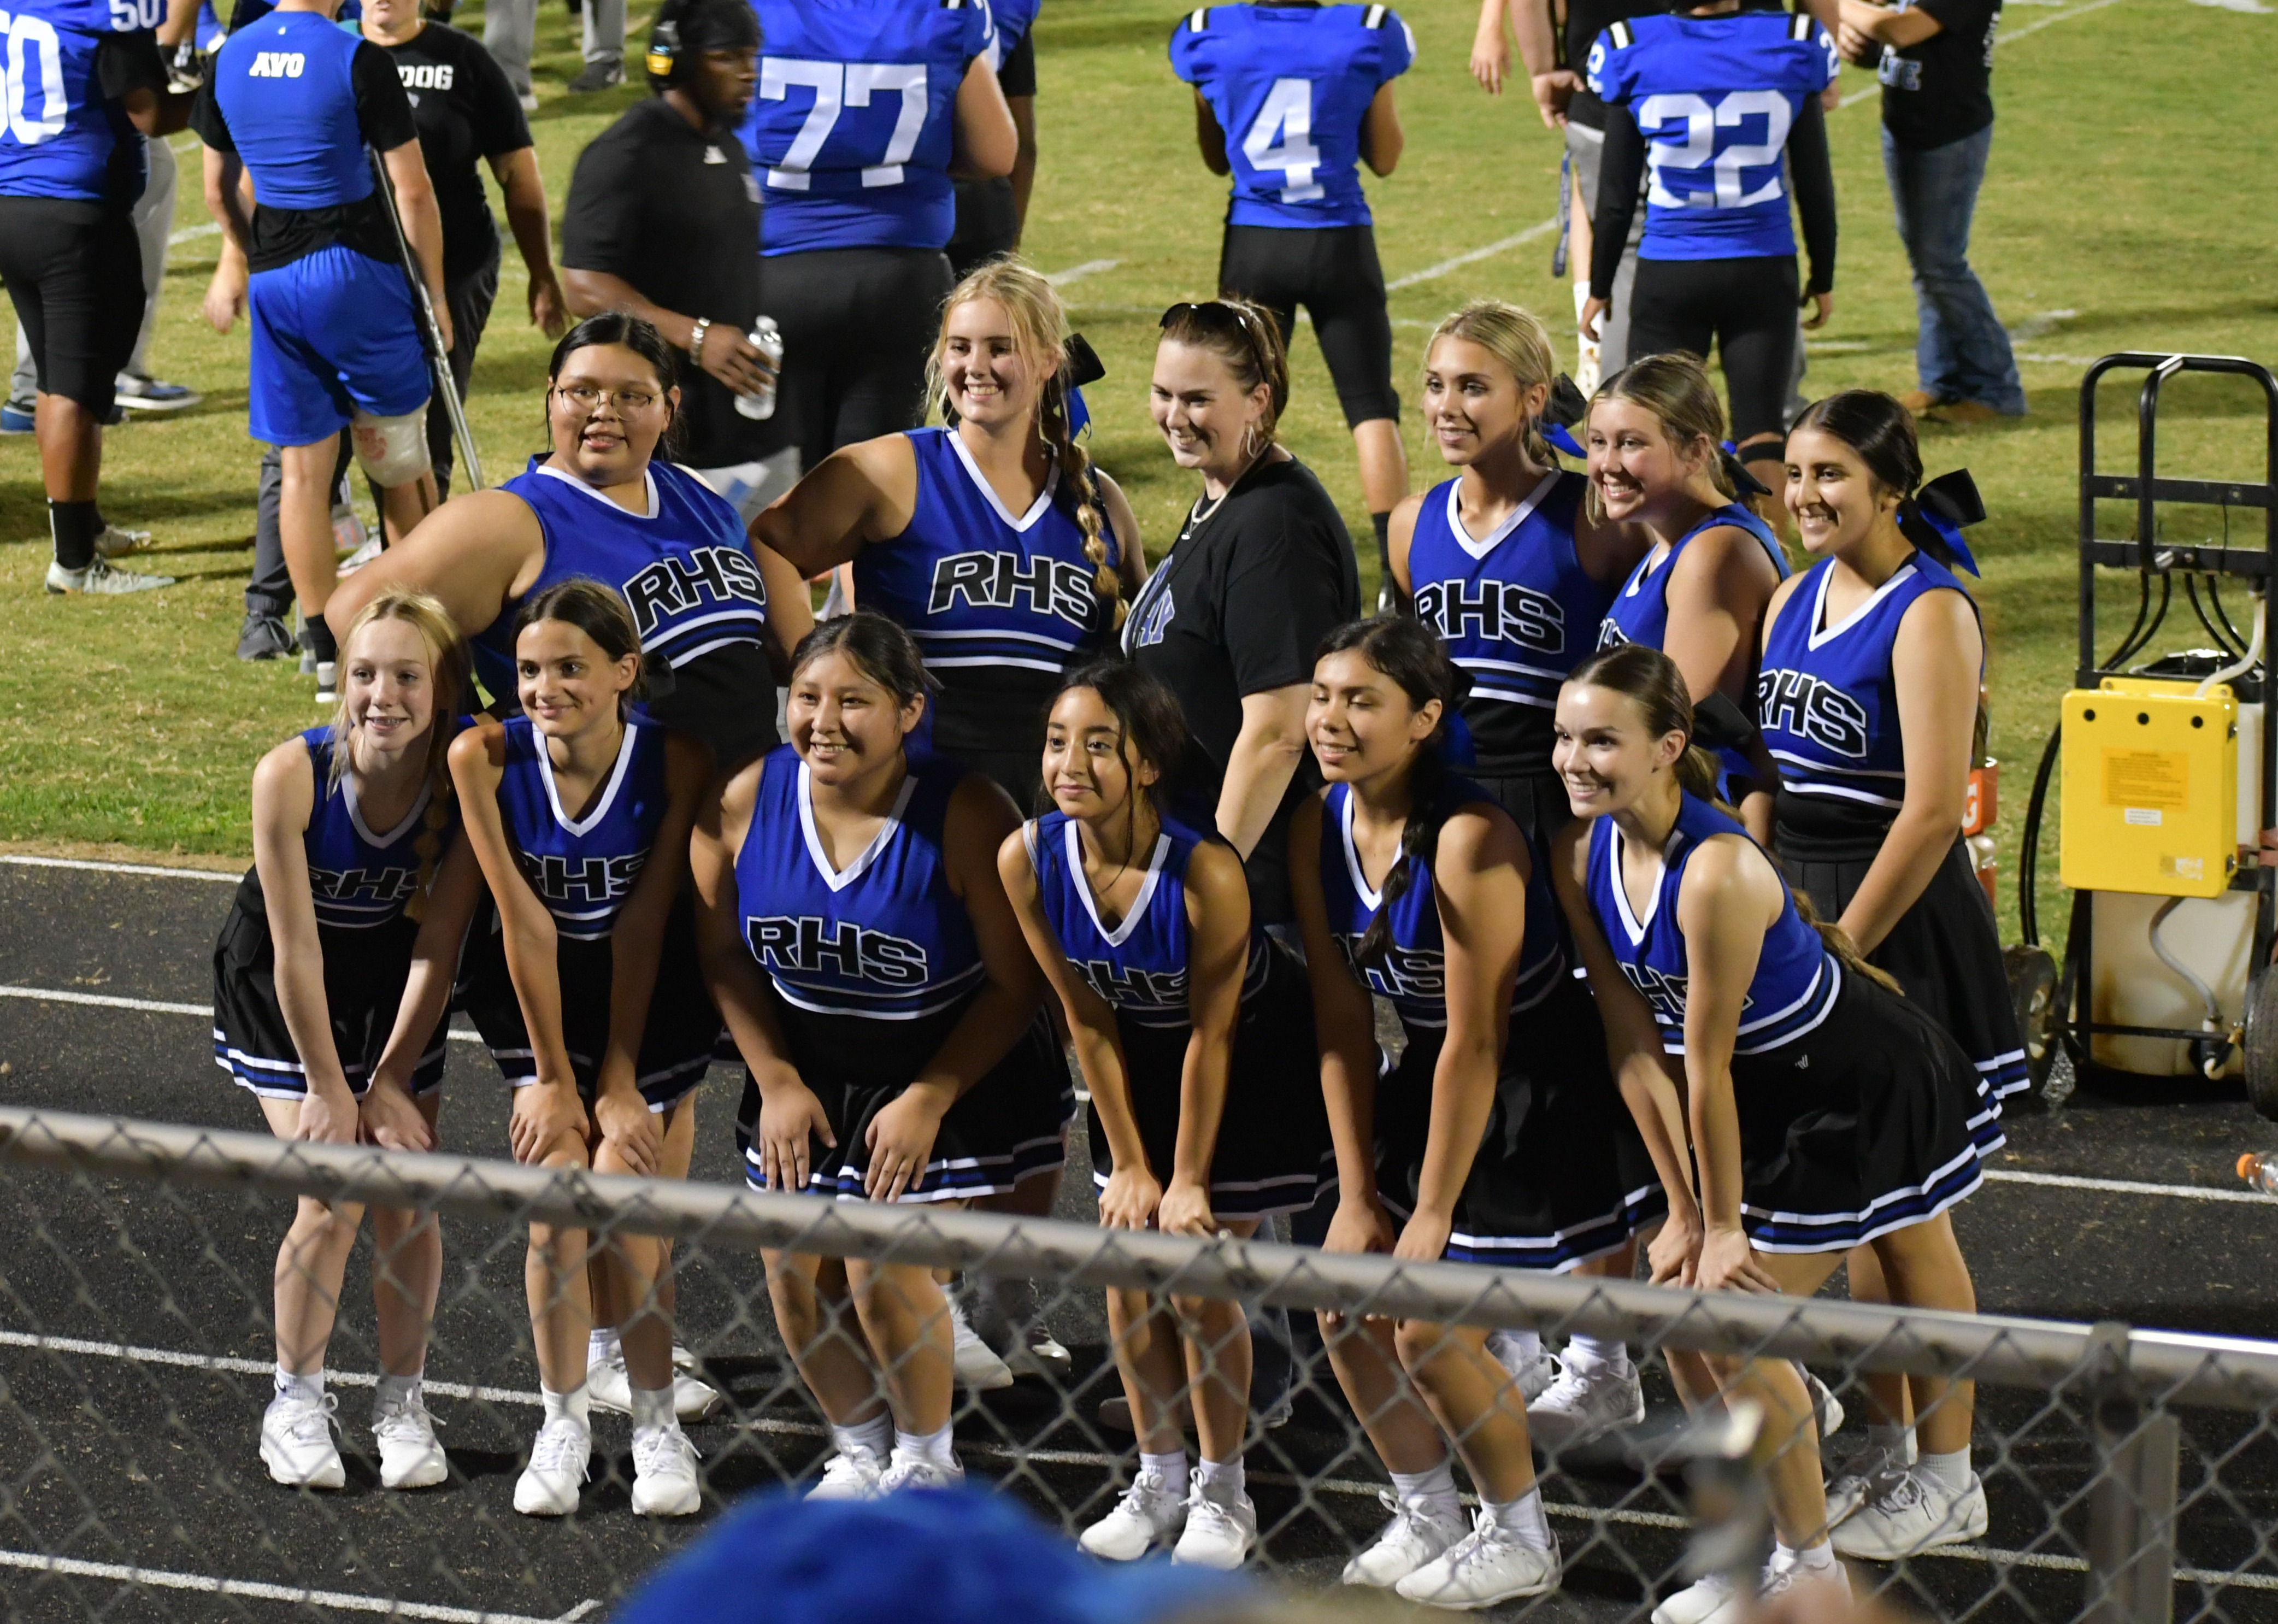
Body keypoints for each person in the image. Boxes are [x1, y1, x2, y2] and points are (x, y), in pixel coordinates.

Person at [1549, 642, 1991, 1619]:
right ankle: (1765, 1536)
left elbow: (1702, 1066)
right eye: (1564, 737)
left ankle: (1840, 1548)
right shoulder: (1592, 852)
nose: (1574, 759)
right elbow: (1637, 1046)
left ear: (1667, 746)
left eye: (1600, 741)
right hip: (1774, 1094)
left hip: (1860, 1084)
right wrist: (1677, 1210)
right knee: (1685, 1315)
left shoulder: (1709, 875)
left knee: (1755, 1310)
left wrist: (1717, 1226)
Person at [1292, 617, 1659, 1609]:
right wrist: (1357, 1189)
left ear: (1423, 719)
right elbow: (1336, 1019)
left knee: (1428, 1327)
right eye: (1321, 694)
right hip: (1430, 1082)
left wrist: (1427, 1213)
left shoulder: (1470, 837)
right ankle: (1426, 1509)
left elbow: (1479, 1038)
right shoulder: (1314, 820)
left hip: (1538, 1093)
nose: (1329, 718)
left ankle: (1519, 1533)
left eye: (1359, 700)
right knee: (1340, 1296)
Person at [690, 613, 1069, 1501]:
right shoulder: (748, 797)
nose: (823, 719)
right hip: (808, 1069)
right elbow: (721, 955)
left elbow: (1017, 988)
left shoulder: (968, 810)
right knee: (792, 1271)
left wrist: (930, 1094)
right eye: (808, 696)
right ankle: (860, 1449)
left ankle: (928, 1461)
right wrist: (775, 1078)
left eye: (852, 700)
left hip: (946, 1068)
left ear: (908, 711)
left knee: (875, 1260)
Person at [998, 662, 1329, 1569]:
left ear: (1147, 763)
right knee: (1126, 1268)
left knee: (1193, 1273)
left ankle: (1224, 1489)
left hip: (1249, 1057)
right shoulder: (1026, 857)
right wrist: (1131, 1166)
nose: (1069, 762)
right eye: (1058, 740)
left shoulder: (1203, 870)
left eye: (1098, 744)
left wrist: (1180, 1175)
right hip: (1133, 1061)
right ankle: (1157, 1476)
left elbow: (1212, 1033)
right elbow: (1086, 1019)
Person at [1764, 391, 2022, 1547]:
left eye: (1831, 477)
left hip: (1894, 926)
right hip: (1804, 906)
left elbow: (1925, 814)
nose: (1805, 496)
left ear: (1885, 489)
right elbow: (1762, 763)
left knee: (1909, 1217)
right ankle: (1890, 1444)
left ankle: (1951, 1474)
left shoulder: (1928, 615)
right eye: (1795, 473)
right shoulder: (1786, 593)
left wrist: (1841, 950)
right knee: (1868, 1215)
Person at [448, 579, 716, 1520]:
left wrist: (617, 1080)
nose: (543, 687)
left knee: (633, 1201)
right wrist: (554, 1077)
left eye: (569, 667)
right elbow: (522, 923)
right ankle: (561, 1421)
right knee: (556, 1205)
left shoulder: (673, 758)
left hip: (650, 1003)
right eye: (527, 669)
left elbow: (644, 921)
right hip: (541, 1001)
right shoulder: (481, 757)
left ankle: (654, 1426)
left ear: (623, 673)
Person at [213, 586, 480, 1493]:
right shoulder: (289, 774)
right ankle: (293, 1398)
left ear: (442, 688)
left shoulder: (466, 776)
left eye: (406, 675)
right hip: (287, 990)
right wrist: (334, 1088)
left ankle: (402, 1399)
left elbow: (439, 945)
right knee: (333, 1189)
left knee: (407, 1189)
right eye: (364, 673)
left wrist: (394, 1077)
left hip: (395, 988)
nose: (381, 694)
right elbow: (293, 954)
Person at [327, 314, 812, 776]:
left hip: (752, 791)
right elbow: (354, 611)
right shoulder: (511, 519)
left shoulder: (693, 493)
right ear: (551, 397)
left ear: (668, 409)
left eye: (632, 396)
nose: (604, 411)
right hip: (622, 815)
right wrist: (476, 730)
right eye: (582, 392)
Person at [233, 0, 570, 663]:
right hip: (359, 277)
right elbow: (260, 175)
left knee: (415, 446)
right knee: (305, 459)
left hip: (444, 269)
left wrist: (539, 273)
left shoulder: (462, 60)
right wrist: (231, 260)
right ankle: (275, 610)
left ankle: (412, 607)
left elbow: (516, 174)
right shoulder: (332, 54)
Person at [755, 260, 1141, 804]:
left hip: (1054, 803)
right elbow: (772, 541)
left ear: (1049, 361)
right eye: (959, 347)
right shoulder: (890, 470)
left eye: (999, 348)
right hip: (912, 794)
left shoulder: (1098, 499)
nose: (975, 366)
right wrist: (815, 679)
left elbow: (1136, 653)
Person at [196, 0, 449, 696]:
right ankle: (413, 630)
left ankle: (322, 641)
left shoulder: (229, 57)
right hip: (356, 275)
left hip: (277, 279)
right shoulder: (356, 57)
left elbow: (218, 192)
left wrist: (257, 256)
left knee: (304, 473)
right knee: (398, 461)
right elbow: (413, 191)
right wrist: (436, 298)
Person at [1126, 298, 1360, 931]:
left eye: (1197, 399)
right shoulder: (1225, 495)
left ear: (1258, 400)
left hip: (1259, 889)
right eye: (1162, 393)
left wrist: (1209, 891)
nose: (1174, 417)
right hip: (1209, 863)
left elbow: (1278, 733)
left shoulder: (1272, 526)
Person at [1170, 2, 1413, 591]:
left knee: (1239, 405)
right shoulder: (1366, 30)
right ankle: (1397, 581)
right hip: (1340, 243)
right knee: (1371, 410)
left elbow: (1215, 156)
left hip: (1255, 243)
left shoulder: (1207, 34)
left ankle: (1232, 557)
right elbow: (1384, 157)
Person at [1388, 300, 1647, 850]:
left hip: (1561, 800)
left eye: (1473, 387)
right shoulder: (1410, 523)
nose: (1446, 407)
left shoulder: (1594, 518)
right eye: (1436, 385)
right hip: (1441, 790)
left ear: (1532, 399)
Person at [741, 0, 1016, 480]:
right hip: (900, 279)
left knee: (775, 495)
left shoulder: (752, 12)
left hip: (772, 277)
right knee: (871, 490)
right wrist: (909, 170)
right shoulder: (941, 11)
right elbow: (995, 154)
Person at [1581, 0, 1840, 495]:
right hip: (1762, 264)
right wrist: (1822, 273)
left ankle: (1667, 556)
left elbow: (1615, 197)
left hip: (1670, 269)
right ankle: (1768, 561)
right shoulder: (1791, 40)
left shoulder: (1630, 46)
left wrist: (1599, 285)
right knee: (1761, 428)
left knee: (1658, 426)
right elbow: (1814, 181)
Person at [561, 0, 798, 523]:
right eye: (727, 57)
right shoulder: (626, 153)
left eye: (751, 56)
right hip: (667, 431)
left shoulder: (726, 147)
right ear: (678, 61)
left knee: (775, 570)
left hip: (744, 416)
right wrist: (695, 336)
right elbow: (582, 284)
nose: (747, 73)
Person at [0, 0, 195, 596]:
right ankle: (74, 562)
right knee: (71, 391)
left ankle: (83, 522)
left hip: (15, 201)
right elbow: (150, 112)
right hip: (74, 213)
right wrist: (211, 92)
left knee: (68, 378)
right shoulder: (100, 12)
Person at [1588, 351, 1790, 833]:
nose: (1606, 465)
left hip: (1695, 825)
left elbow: (1681, 735)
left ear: (1697, 452)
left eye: (1631, 444)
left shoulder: (1713, 555)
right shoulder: (1665, 541)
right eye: (1597, 442)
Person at [1836, 0, 2024, 423]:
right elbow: (1887, 39)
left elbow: (1901, 29)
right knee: (1927, 263)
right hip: (1906, 125)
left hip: (1947, 134)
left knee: (1941, 265)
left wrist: (1835, 6)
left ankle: (1997, 391)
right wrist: (1863, 44)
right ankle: (1940, 380)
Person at [947, 0, 1040, 279]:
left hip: (892, 213)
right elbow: (1023, 147)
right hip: (983, 213)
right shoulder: (1002, 7)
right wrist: (1011, 249)